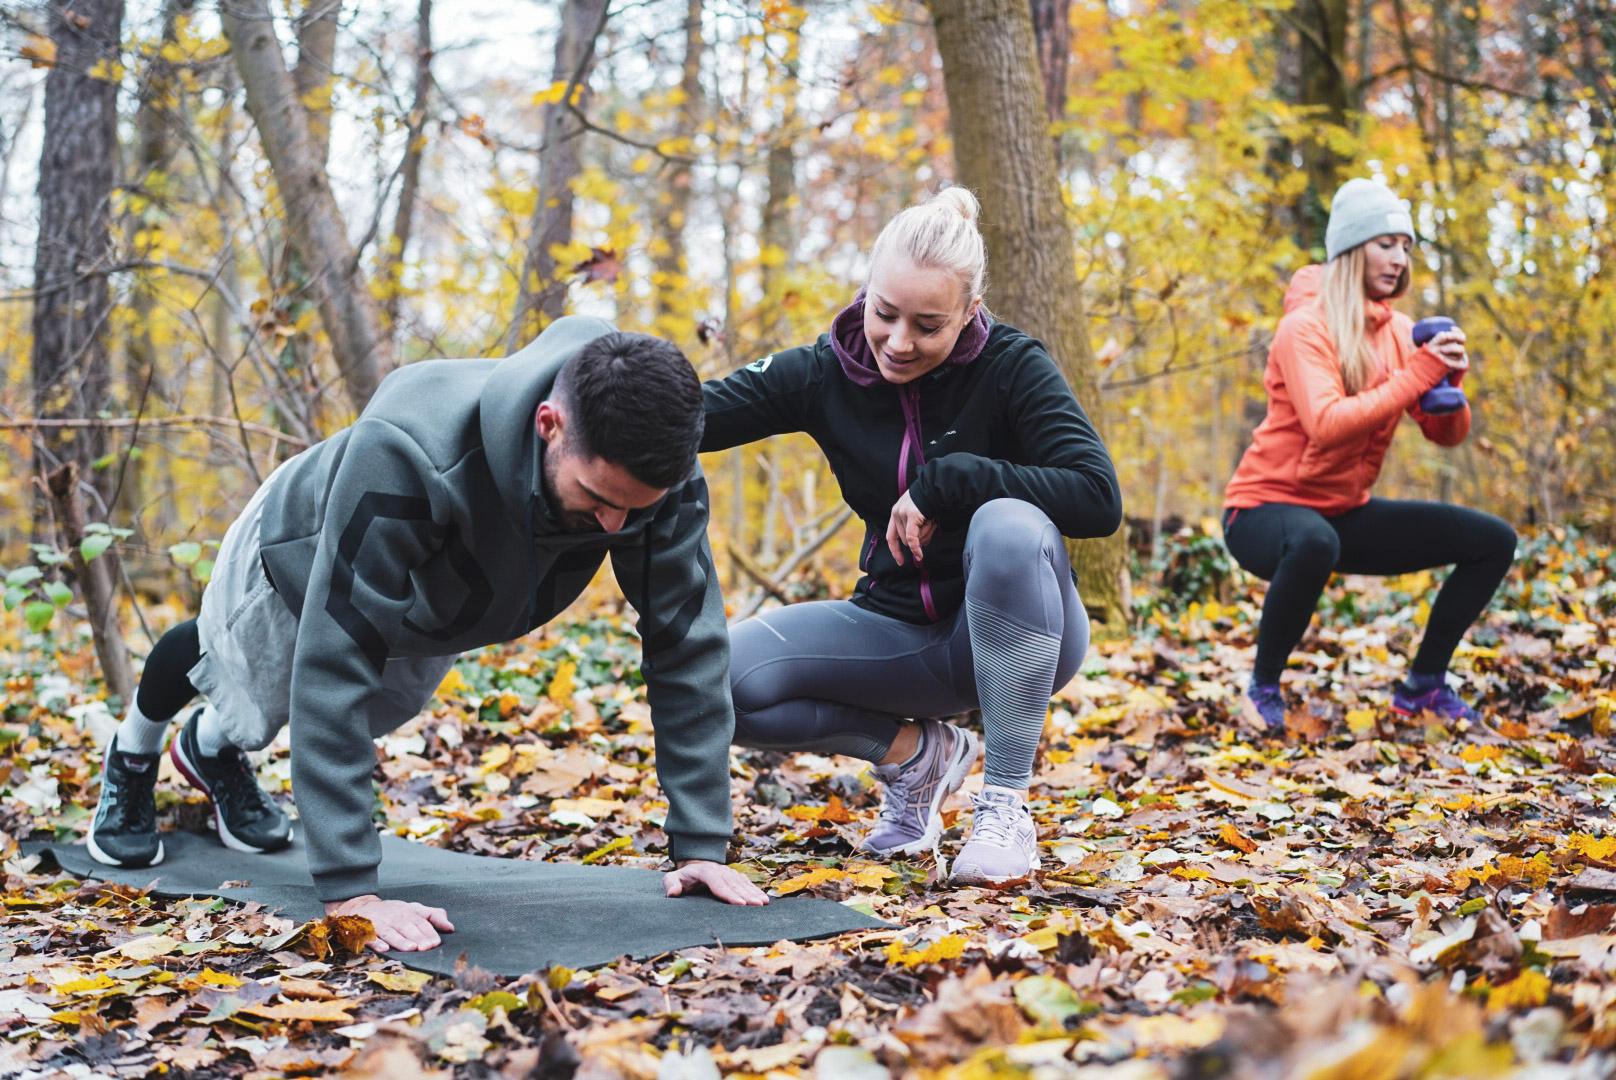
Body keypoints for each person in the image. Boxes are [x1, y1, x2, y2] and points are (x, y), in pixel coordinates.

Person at [87, 317, 767, 952]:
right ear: (549, 425)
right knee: (244, 679)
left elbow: (687, 643)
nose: (618, 527)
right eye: (598, 500)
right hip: (299, 548)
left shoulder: (650, 464)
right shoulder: (409, 449)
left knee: (371, 711)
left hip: (433, 599)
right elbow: (336, 659)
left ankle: (210, 749)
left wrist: (701, 842)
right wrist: (353, 891)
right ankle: (135, 751)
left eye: (635, 510)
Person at [701, 189, 1122, 884]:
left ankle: (1005, 809)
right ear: (866, 292)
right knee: (717, 680)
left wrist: (950, 479)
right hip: (897, 636)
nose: (899, 342)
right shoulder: (824, 373)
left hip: (1024, 632)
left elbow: (1098, 497)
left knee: (1006, 520)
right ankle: (917, 758)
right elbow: (699, 414)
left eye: (928, 326)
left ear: (969, 313)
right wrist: (582, 395)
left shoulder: (1013, 367)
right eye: (884, 314)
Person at [1222, 178, 1516, 734]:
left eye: (1405, 246)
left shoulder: (1401, 333)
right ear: (1351, 248)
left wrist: (1447, 387)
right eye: (1385, 243)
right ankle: (1260, 690)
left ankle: (1424, 686)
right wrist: (1418, 375)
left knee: (1493, 540)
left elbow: (1445, 436)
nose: (1398, 258)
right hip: (1261, 511)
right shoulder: (1303, 327)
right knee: (1313, 540)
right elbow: (1327, 424)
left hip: (1343, 511)